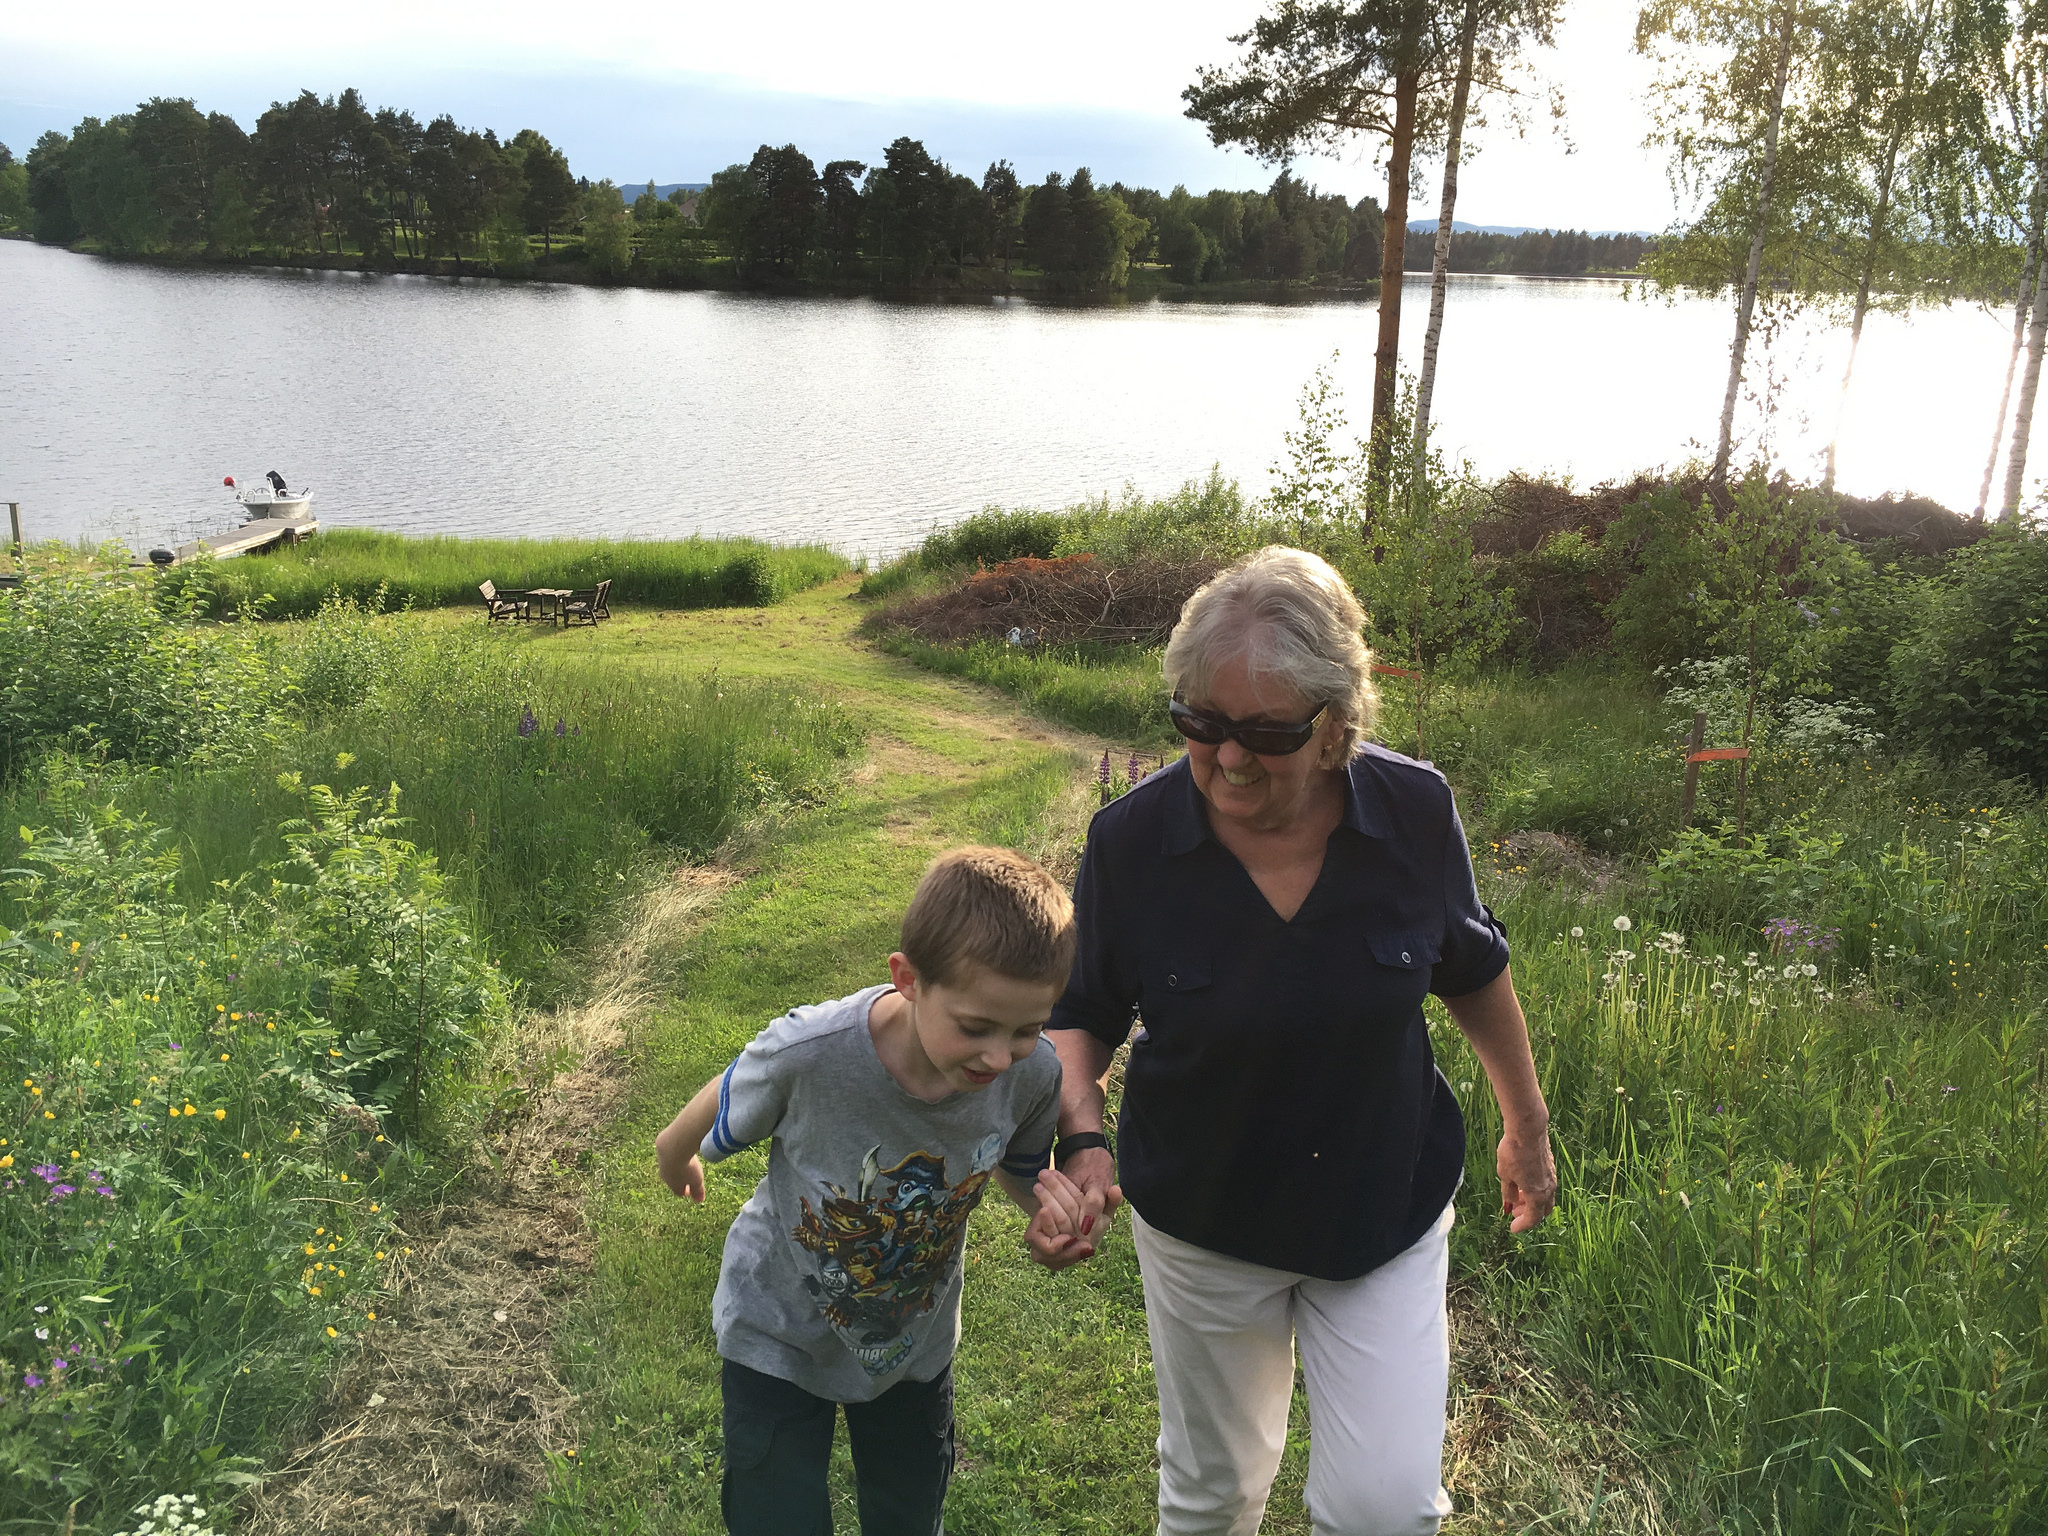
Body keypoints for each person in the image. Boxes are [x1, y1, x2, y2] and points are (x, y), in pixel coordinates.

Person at [1045, 546, 1559, 1536]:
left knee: (1384, 1511)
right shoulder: (1130, 843)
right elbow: (1080, 1015)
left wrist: (1523, 1129)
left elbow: (1470, 966)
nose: (1227, 758)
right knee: (1211, 1493)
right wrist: (1082, 1138)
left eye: (1265, 733)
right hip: (1202, 1220)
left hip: (1381, 1208)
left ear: (1334, 727)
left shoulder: (1413, 812)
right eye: (1198, 724)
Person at [655, 846, 1101, 1536]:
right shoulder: (813, 1052)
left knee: (907, 1510)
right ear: (909, 979)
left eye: (1027, 1028)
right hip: (776, 1328)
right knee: (775, 1512)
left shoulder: (1032, 1073)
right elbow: (736, 1084)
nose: (998, 1055)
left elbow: (1013, 1161)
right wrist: (674, 1150)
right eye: (976, 1027)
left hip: (912, 1349)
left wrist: (1044, 1211)